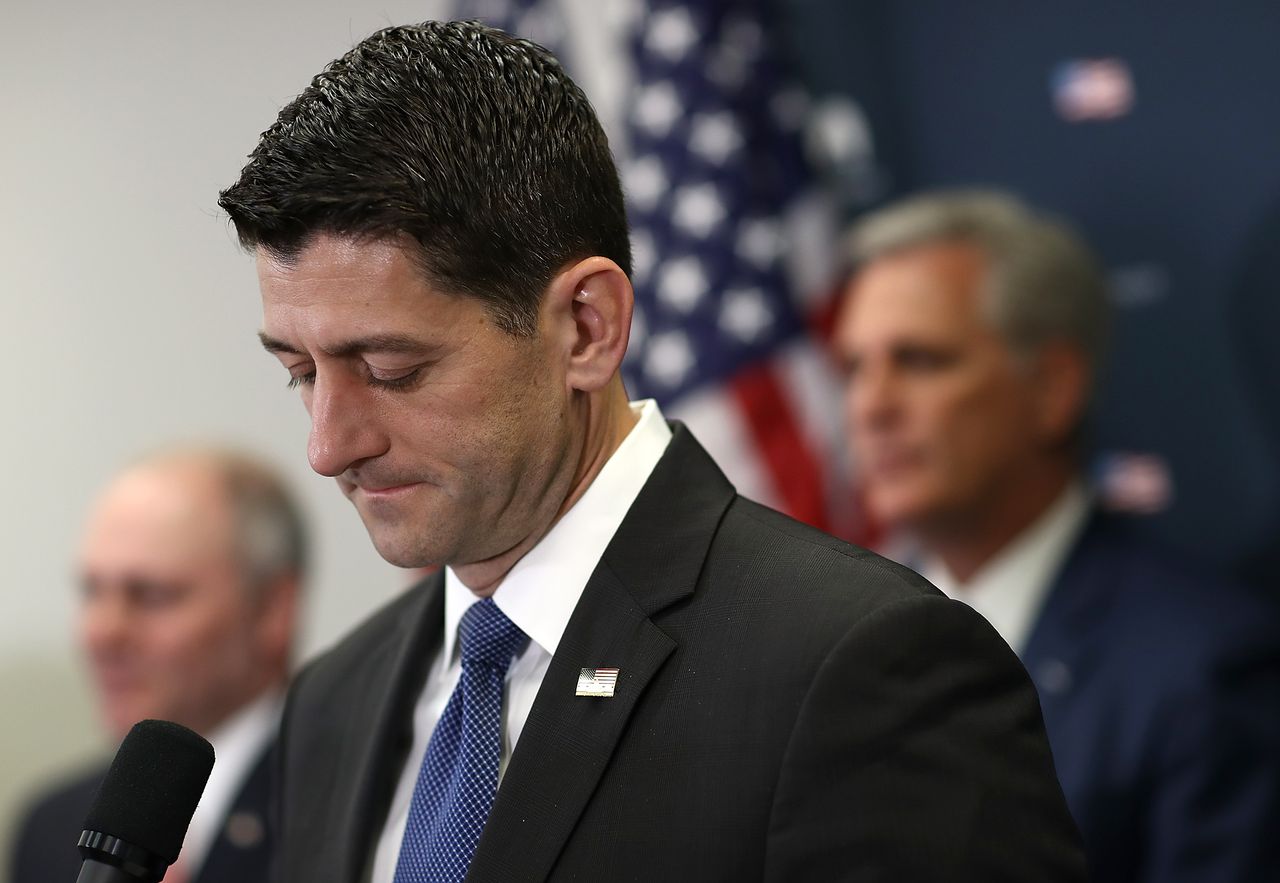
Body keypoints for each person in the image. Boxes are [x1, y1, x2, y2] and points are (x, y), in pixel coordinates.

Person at [217, 21, 1085, 882]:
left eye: (391, 368)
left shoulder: (859, 667)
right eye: (300, 371)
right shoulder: (336, 698)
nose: (330, 445)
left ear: (587, 328)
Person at [835, 189, 1280, 882]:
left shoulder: (1202, 671)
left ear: (1052, 387)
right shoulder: (837, 647)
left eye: (920, 360)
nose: (870, 405)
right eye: (854, 368)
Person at [9, 447, 305, 883]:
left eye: (151, 595)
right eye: (92, 591)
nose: (102, 633)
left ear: (270, 610)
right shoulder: (52, 826)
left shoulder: (343, 803)